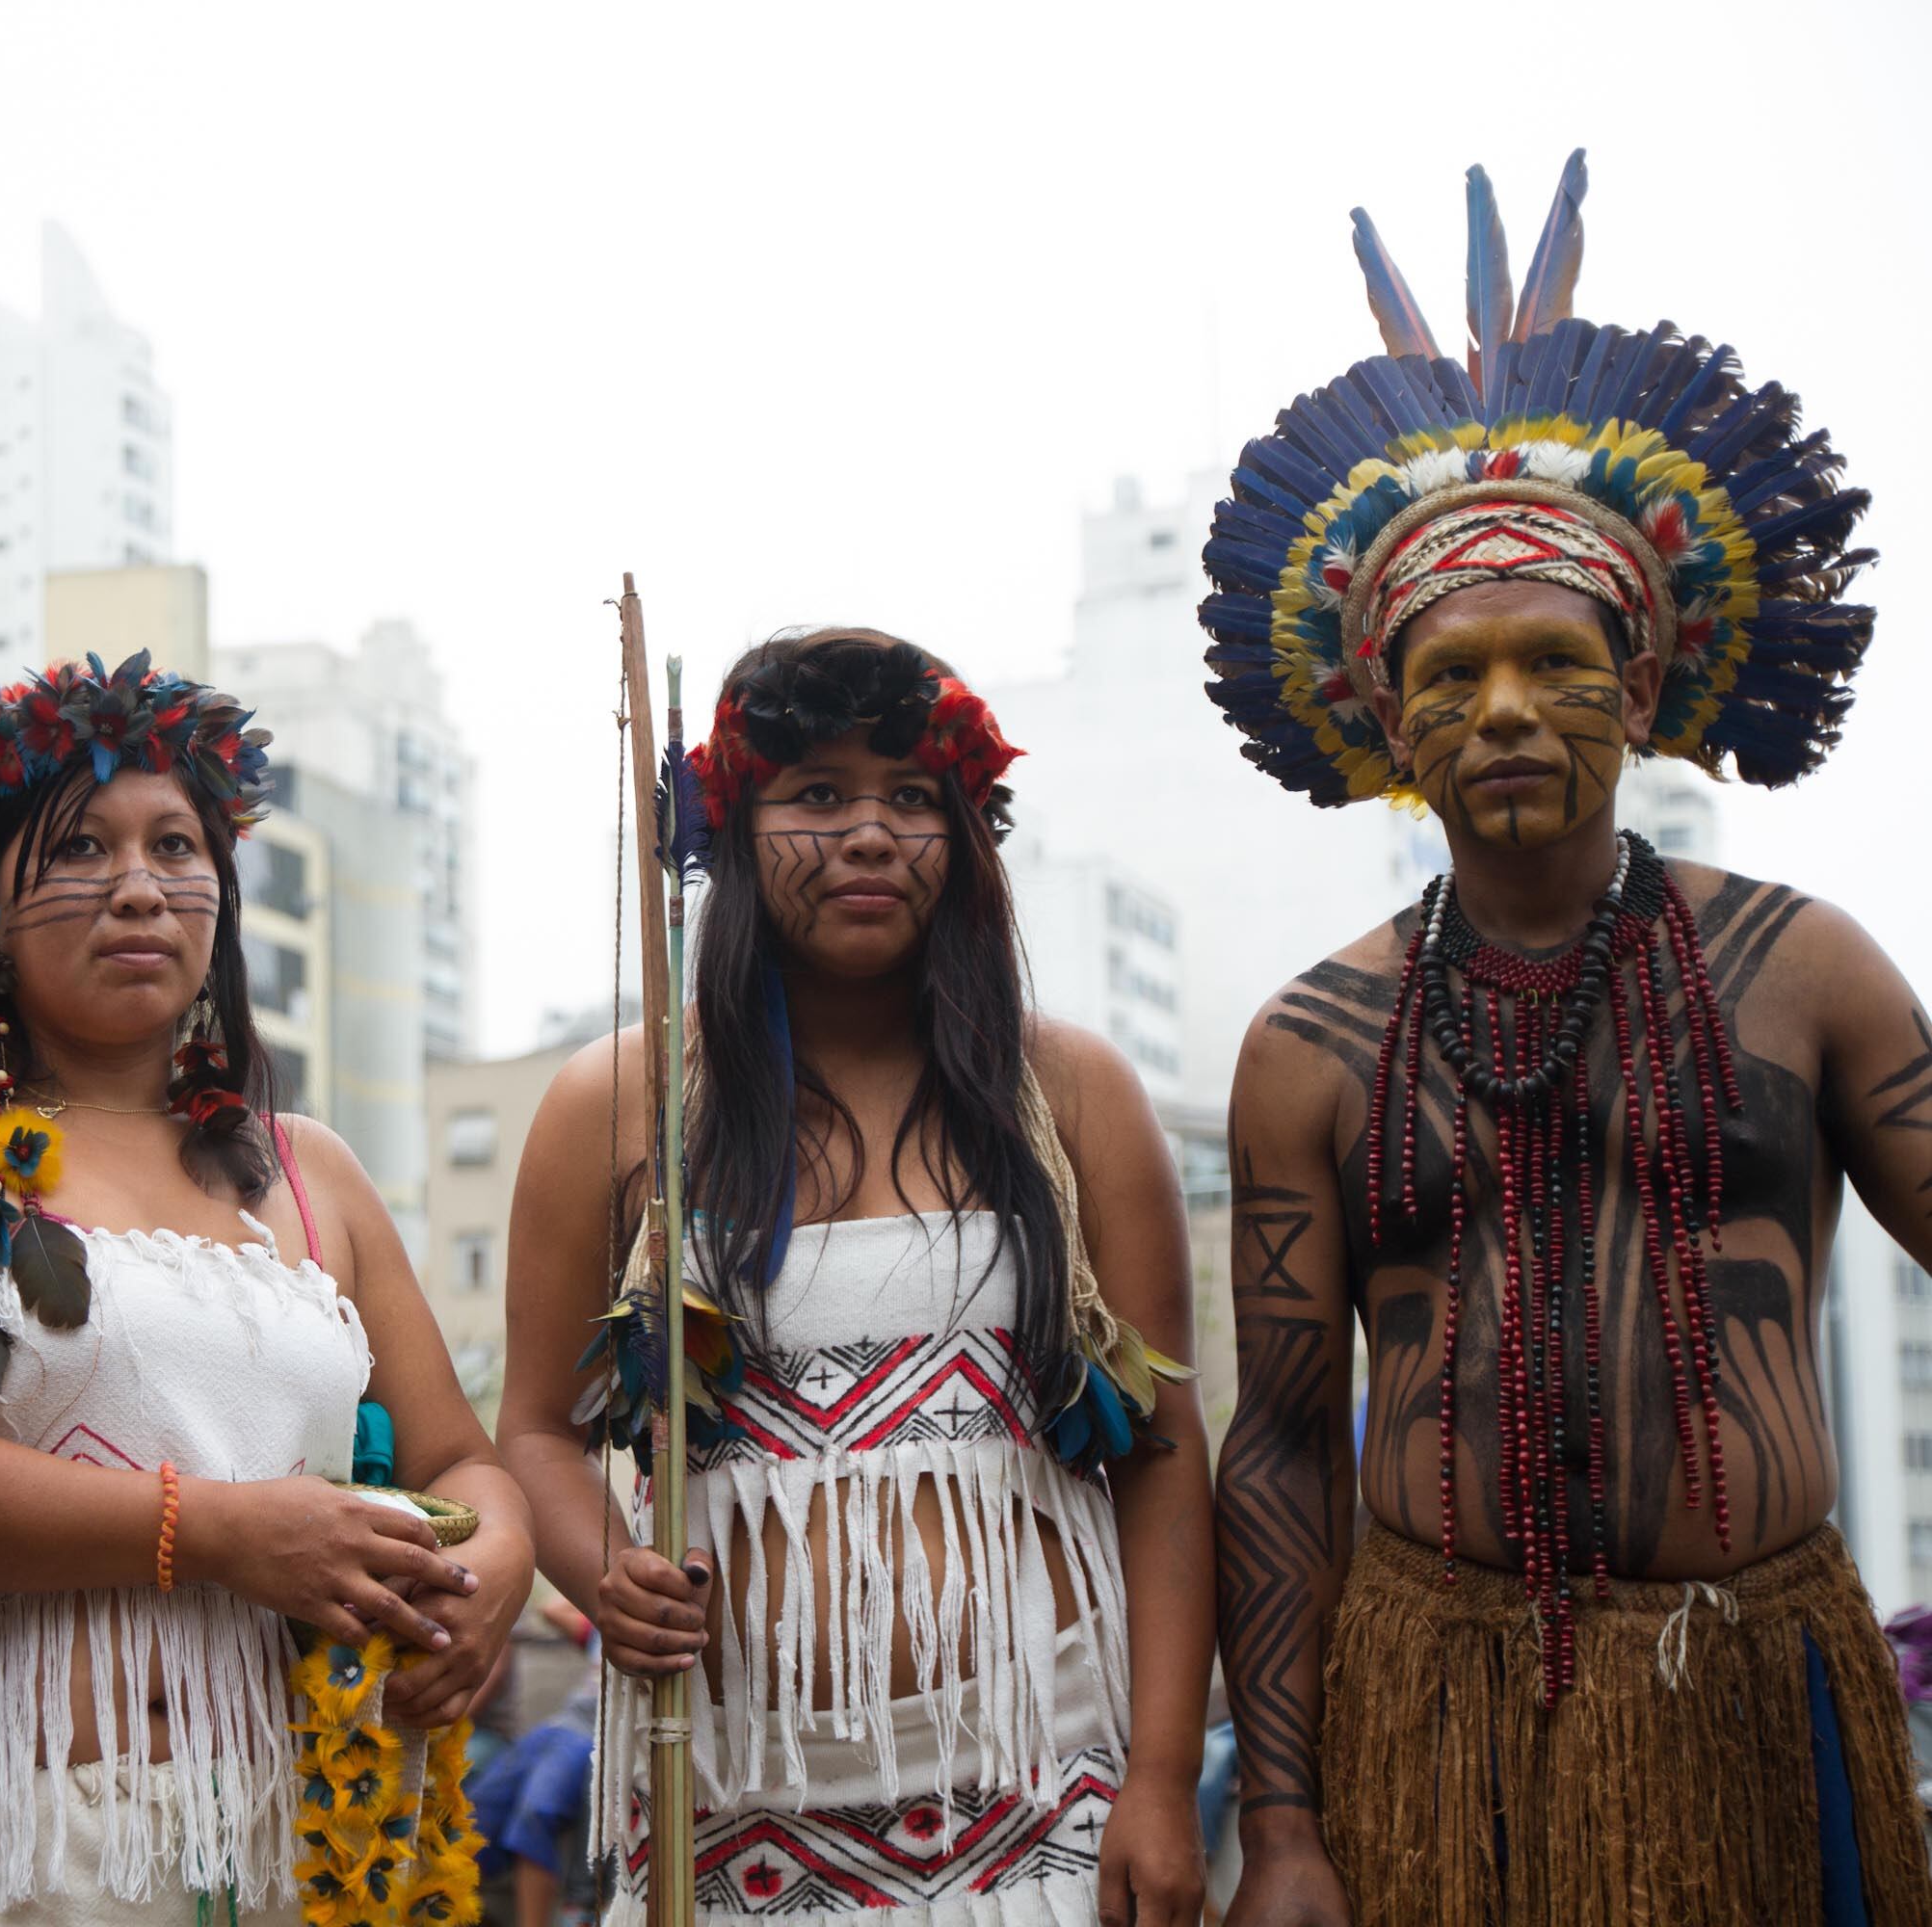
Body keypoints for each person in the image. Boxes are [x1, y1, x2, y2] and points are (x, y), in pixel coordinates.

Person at [1201, 153, 1932, 1925]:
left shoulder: (1805, 970)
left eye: (1556, 660)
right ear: (1388, 723)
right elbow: (1279, 1444)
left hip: (1757, 1695)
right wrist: (1281, 1827)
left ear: (1643, 686)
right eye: (1451, 678)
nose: (1508, 710)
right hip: (1434, 1714)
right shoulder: (1312, 1046)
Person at [0, 655, 534, 1927]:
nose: (138, 885)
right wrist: (221, 1532)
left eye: (175, 845)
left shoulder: (312, 1173)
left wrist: (498, 1565)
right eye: (80, 846)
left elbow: (463, 1460)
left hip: (275, 1844)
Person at [498, 629, 1214, 1927]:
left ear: (965, 834)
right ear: (732, 826)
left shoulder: (1074, 1093)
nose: (871, 833)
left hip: (1043, 1812)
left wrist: (1163, 1780)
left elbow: (1162, 1458)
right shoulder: (618, 1103)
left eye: (912, 796)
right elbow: (538, 1428)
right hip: (731, 1825)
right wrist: (604, 1562)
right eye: (819, 794)